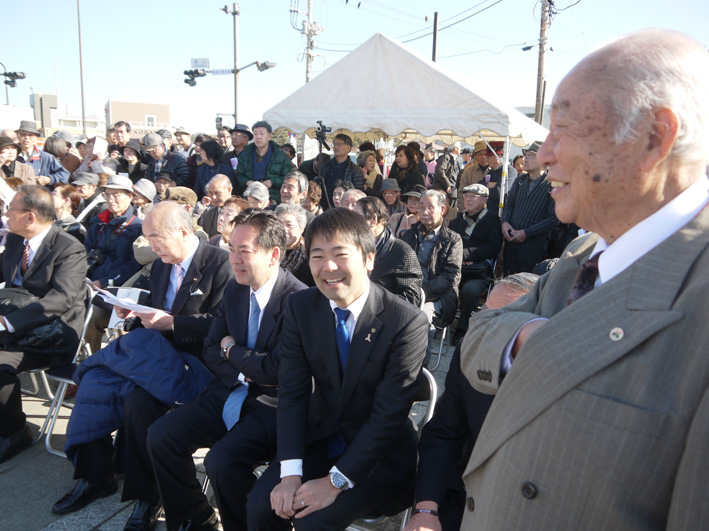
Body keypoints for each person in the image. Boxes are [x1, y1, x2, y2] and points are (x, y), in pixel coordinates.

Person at [458, 29, 709, 531]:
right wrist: (533, 337)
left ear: (654, 138)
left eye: (563, 129)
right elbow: (480, 337)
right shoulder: (583, 257)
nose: (545, 153)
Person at [246, 207, 428, 530]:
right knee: (263, 504)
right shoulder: (302, 307)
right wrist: (290, 473)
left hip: (377, 458)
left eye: (340, 254)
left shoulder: (406, 322)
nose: (328, 267)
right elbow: (293, 392)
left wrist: (334, 483)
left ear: (369, 259)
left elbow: (387, 418)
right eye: (317, 256)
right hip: (323, 438)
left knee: (312, 522)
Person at [53, 201, 233, 525]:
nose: (151, 245)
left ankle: (149, 496)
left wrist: (174, 323)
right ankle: (96, 475)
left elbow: (226, 324)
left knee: (139, 402)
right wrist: (133, 310)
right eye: (148, 238)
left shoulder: (222, 264)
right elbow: (155, 304)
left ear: (182, 231)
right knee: (93, 376)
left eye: (155, 237)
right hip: (156, 353)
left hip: (196, 363)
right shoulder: (163, 262)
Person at [147, 210, 306, 530]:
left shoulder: (300, 301)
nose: (233, 259)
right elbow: (210, 348)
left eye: (244, 251)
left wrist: (232, 350)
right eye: (231, 248)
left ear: (274, 255)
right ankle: (194, 517)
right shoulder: (235, 289)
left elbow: (277, 370)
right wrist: (243, 367)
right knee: (161, 435)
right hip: (231, 388)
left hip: (275, 405)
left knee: (221, 462)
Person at [404, 273, 538, 531]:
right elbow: (444, 432)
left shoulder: (561, 376)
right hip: (465, 491)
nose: (489, 329)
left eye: (506, 320)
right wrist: (425, 509)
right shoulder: (471, 350)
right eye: (486, 315)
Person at [0, 186, 87, 463]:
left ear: (30, 216)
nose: (5, 214)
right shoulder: (15, 240)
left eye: (10, 210)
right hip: (16, 325)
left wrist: (8, 323)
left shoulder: (69, 248)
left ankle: (15, 432)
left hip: (50, 333)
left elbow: (61, 299)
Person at [400, 190, 462, 366]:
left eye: (430, 207)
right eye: (421, 207)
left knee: (422, 318)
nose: (424, 211)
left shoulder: (452, 239)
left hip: (437, 295)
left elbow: (451, 277)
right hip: (408, 290)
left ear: (442, 209)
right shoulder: (408, 235)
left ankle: (419, 369)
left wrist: (421, 291)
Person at [448, 184, 502, 345]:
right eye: (466, 196)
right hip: (456, 267)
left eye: (473, 196)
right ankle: (441, 322)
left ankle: (462, 329)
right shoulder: (457, 220)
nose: (468, 199)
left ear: (484, 200)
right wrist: (459, 257)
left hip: (478, 270)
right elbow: (448, 243)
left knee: (470, 290)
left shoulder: (493, 220)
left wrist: (466, 254)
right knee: (444, 284)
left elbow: (493, 248)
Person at [501, 140, 558, 275]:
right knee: (508, 284)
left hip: (533, 248)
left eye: (531, 156)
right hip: (511, 243)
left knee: (526, 288)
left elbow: (554, 219)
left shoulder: (552, 185)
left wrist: (527, 233)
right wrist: (505, 223)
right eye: (526, 155)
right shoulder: (520, 180)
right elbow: (509, 206)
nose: (525, 159)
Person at [355, 196, 422, 306]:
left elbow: (410, 299)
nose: (352, 223)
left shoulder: (402, 252)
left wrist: (373, 302)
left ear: (373, 220)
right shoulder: (353, 248)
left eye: (357, 218)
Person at [84, 175, 143, 289]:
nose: (110, 199)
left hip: (114, 288)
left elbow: (134, 265)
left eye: (116, 195)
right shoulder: (98, 222)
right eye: (107, 195)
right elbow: (84, 251)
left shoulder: (137, 228)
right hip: (87, 280)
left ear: (130, 196)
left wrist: (104, 282)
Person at [236, 121, 292, 204]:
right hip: (250, 197)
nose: (258, 137)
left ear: (269, 136)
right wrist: (248, 182)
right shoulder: (245, 155)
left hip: (273, 198)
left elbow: (287, 177)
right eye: (255, 134)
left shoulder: (282, 157)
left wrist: (272, 182)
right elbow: (239, 175)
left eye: (261, 134)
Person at [15, 121, 69, 186]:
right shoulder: (11, 156)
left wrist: (49, 179)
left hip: (39, 193)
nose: (27, 137)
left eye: (30, 135)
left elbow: (64, 174)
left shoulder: (45, 157)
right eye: (23, 134)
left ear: (36, 137)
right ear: (18, 136)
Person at [317, 133, 364, 208]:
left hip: (345, 209)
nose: (335, 147)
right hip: (325, 208)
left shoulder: (354, 170)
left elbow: (358, 193)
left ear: (348, 148)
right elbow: (319, 187)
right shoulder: (326, 165)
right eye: (334, 144)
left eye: (339, 144)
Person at [275, 203, 314, 287]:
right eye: (279, 224)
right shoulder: (269, 253)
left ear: (301, 228)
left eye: (289, 225)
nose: (283, 229)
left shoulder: (310, 255)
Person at [457, 141, 491, 210]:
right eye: (480, 154)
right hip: (471, 211)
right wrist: (463, 211)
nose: (483, 157)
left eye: (486, 154)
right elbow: (461, 193)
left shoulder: (496, 170)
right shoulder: (468, 171)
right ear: (475, 156)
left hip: (491, 211)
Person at [198, 174, 234, 238]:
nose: (213, 197)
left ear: (229, 190)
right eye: (210, 193)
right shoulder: (207, 215)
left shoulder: (241, 212)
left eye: (217, 193)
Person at [432, 142, 460, 210]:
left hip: (453, 191)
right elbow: (439, 170)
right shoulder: (446, 157)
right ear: (455, 148)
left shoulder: (455, 159)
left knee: (452, 212)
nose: (460, 149)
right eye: (459, 147)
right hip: (446, 191)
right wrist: (447, 184)